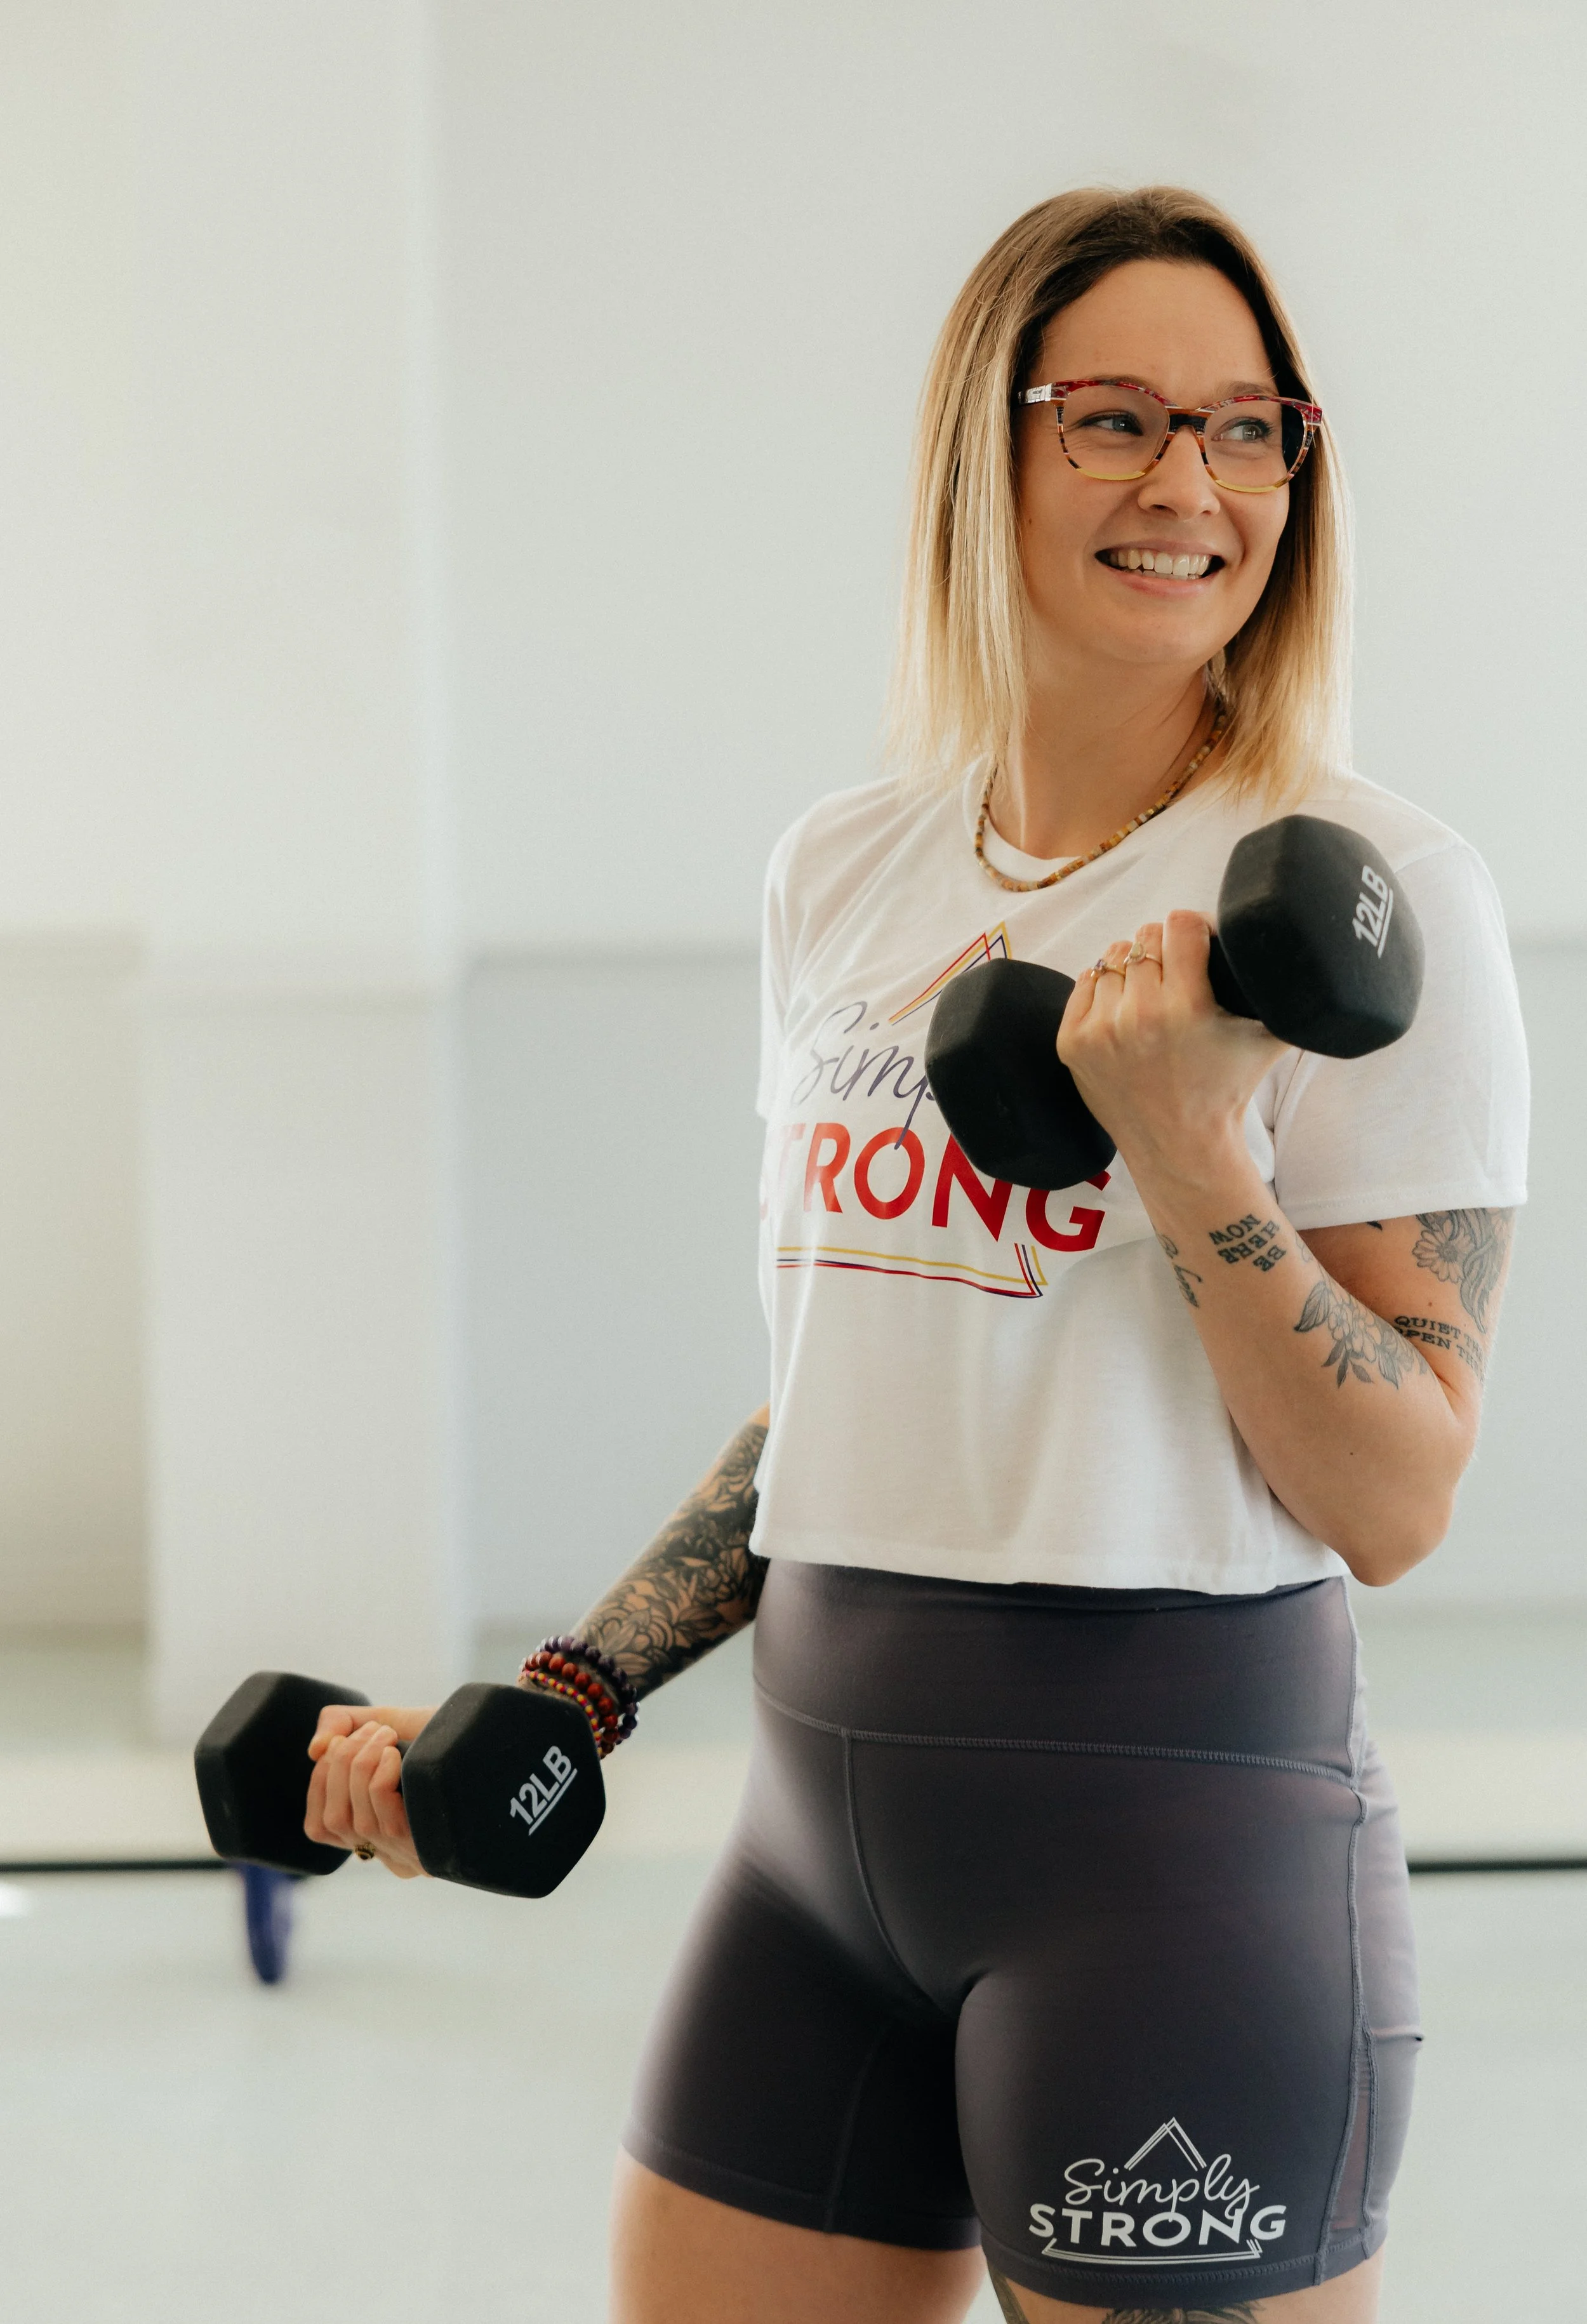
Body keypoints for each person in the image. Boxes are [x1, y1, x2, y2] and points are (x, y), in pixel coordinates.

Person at [303, 187, 1528, 2323]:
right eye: (1119, 417)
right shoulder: (843, 872)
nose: (1189, 483)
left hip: (1169, 1852)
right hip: (812, 1844)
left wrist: (1192, 1163)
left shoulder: (1374, 894)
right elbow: (848, 1387)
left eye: (1250, 428)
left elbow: (1399, 1488)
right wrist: (574, 1695)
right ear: (989, 446)